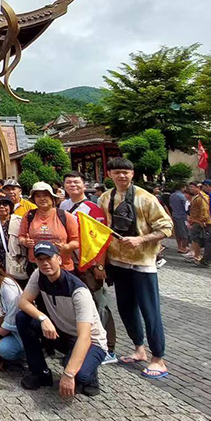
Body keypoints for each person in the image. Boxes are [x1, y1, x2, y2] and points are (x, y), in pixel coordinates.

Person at [99, 157, 173, 379]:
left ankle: (158, 358)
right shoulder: (105, 198)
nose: (122, 176)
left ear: (132, 174)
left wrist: (141, 240)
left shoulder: (145, 198)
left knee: (150, 311)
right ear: (110, 174)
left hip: (142, 262)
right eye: (117, 172)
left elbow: (166, 227)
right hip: (118, 261)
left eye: (126, 172)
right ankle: (139, 349)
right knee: (126, 308)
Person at [16, 242, 108, 397]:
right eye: (40, 259)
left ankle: (90, 376)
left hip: (90, 340)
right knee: (23, 318)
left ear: (59, 259)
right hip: (62, 332)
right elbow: (23, 302)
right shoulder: (38, 275)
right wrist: (43, 318)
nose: (45, 263)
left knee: (79, 375)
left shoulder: (78, 291)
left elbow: (85, 337)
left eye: (49, 258)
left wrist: (69, 374)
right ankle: (40, 373)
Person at [59, 171, 117, 364]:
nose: (72, 185)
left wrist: (100, 264)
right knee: (79, 305)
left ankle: (107, 347)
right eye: (69, 182)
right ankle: (84, 343)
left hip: (90, 264)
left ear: (84, 185)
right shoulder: (64, 205)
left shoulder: (93, 208)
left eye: (76, 182)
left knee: (99, 304)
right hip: (71, 263)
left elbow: (102, 238)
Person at [18, 181, 80, 274]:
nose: (42, 199)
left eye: (45, 195)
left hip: (62, 267)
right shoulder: (29, 216)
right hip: (36, 266)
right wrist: (25, 242)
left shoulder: (65, 216)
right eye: (38, 196)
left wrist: (66, 247)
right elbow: (21, 236)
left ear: (52, 198)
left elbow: (76, 242)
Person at [186, 181, 211, 261]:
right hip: (196, 220)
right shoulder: (197, 196)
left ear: (198, 187)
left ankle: (197, 256)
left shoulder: (202, 197)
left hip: (200, 221)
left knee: (197, 239)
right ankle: (197, 255)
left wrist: (202, 221)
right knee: (197, 239)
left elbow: (204, 210)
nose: (190, 189)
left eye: (192, 187)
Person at [168, 182, 190, 254]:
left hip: (175, 215)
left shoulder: (172, 195)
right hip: (182, 215)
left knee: (177, 232)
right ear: (182, 188)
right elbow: (186, 207)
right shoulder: (182, 196)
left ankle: (179, 246)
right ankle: (183, 247)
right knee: (184, 232)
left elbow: (170, 205)